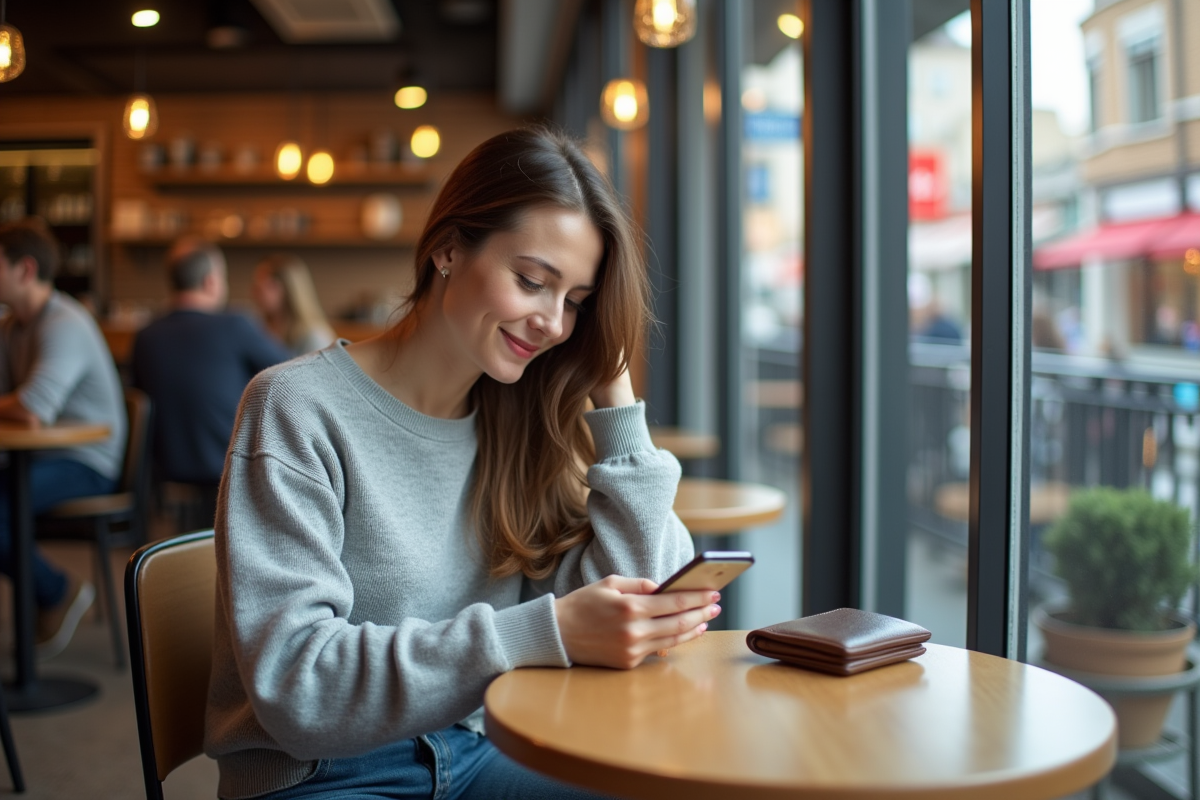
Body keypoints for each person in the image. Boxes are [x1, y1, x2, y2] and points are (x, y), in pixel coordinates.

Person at [205, 127, 710, 800]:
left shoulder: (522, 417)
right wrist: (544, 631)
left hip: (481, 744)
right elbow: (299, 688)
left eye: (577, 304)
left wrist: (615, 396)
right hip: (321, 775)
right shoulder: (296, 407)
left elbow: (641, 596)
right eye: (532, 281)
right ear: (447, 247)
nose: (554, 324)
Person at [0, 218, 126, 658]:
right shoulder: (13, 326)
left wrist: (14, 403)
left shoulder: (65, 321)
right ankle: (51, 594)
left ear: (25, 269)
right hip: (38, 458)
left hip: (87, 462)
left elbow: (32, 408)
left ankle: (57, 592)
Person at [131, 239, 289, 525]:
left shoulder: (146, 336)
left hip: (165, 465)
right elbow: (291, 371)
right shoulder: (234, 325)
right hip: (229, 462)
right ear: (210, 281)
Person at [251, 253, 336, 356]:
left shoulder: (314, 336)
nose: (254, 293)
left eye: (263, 286)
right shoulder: (259, 327)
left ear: (288, 290)